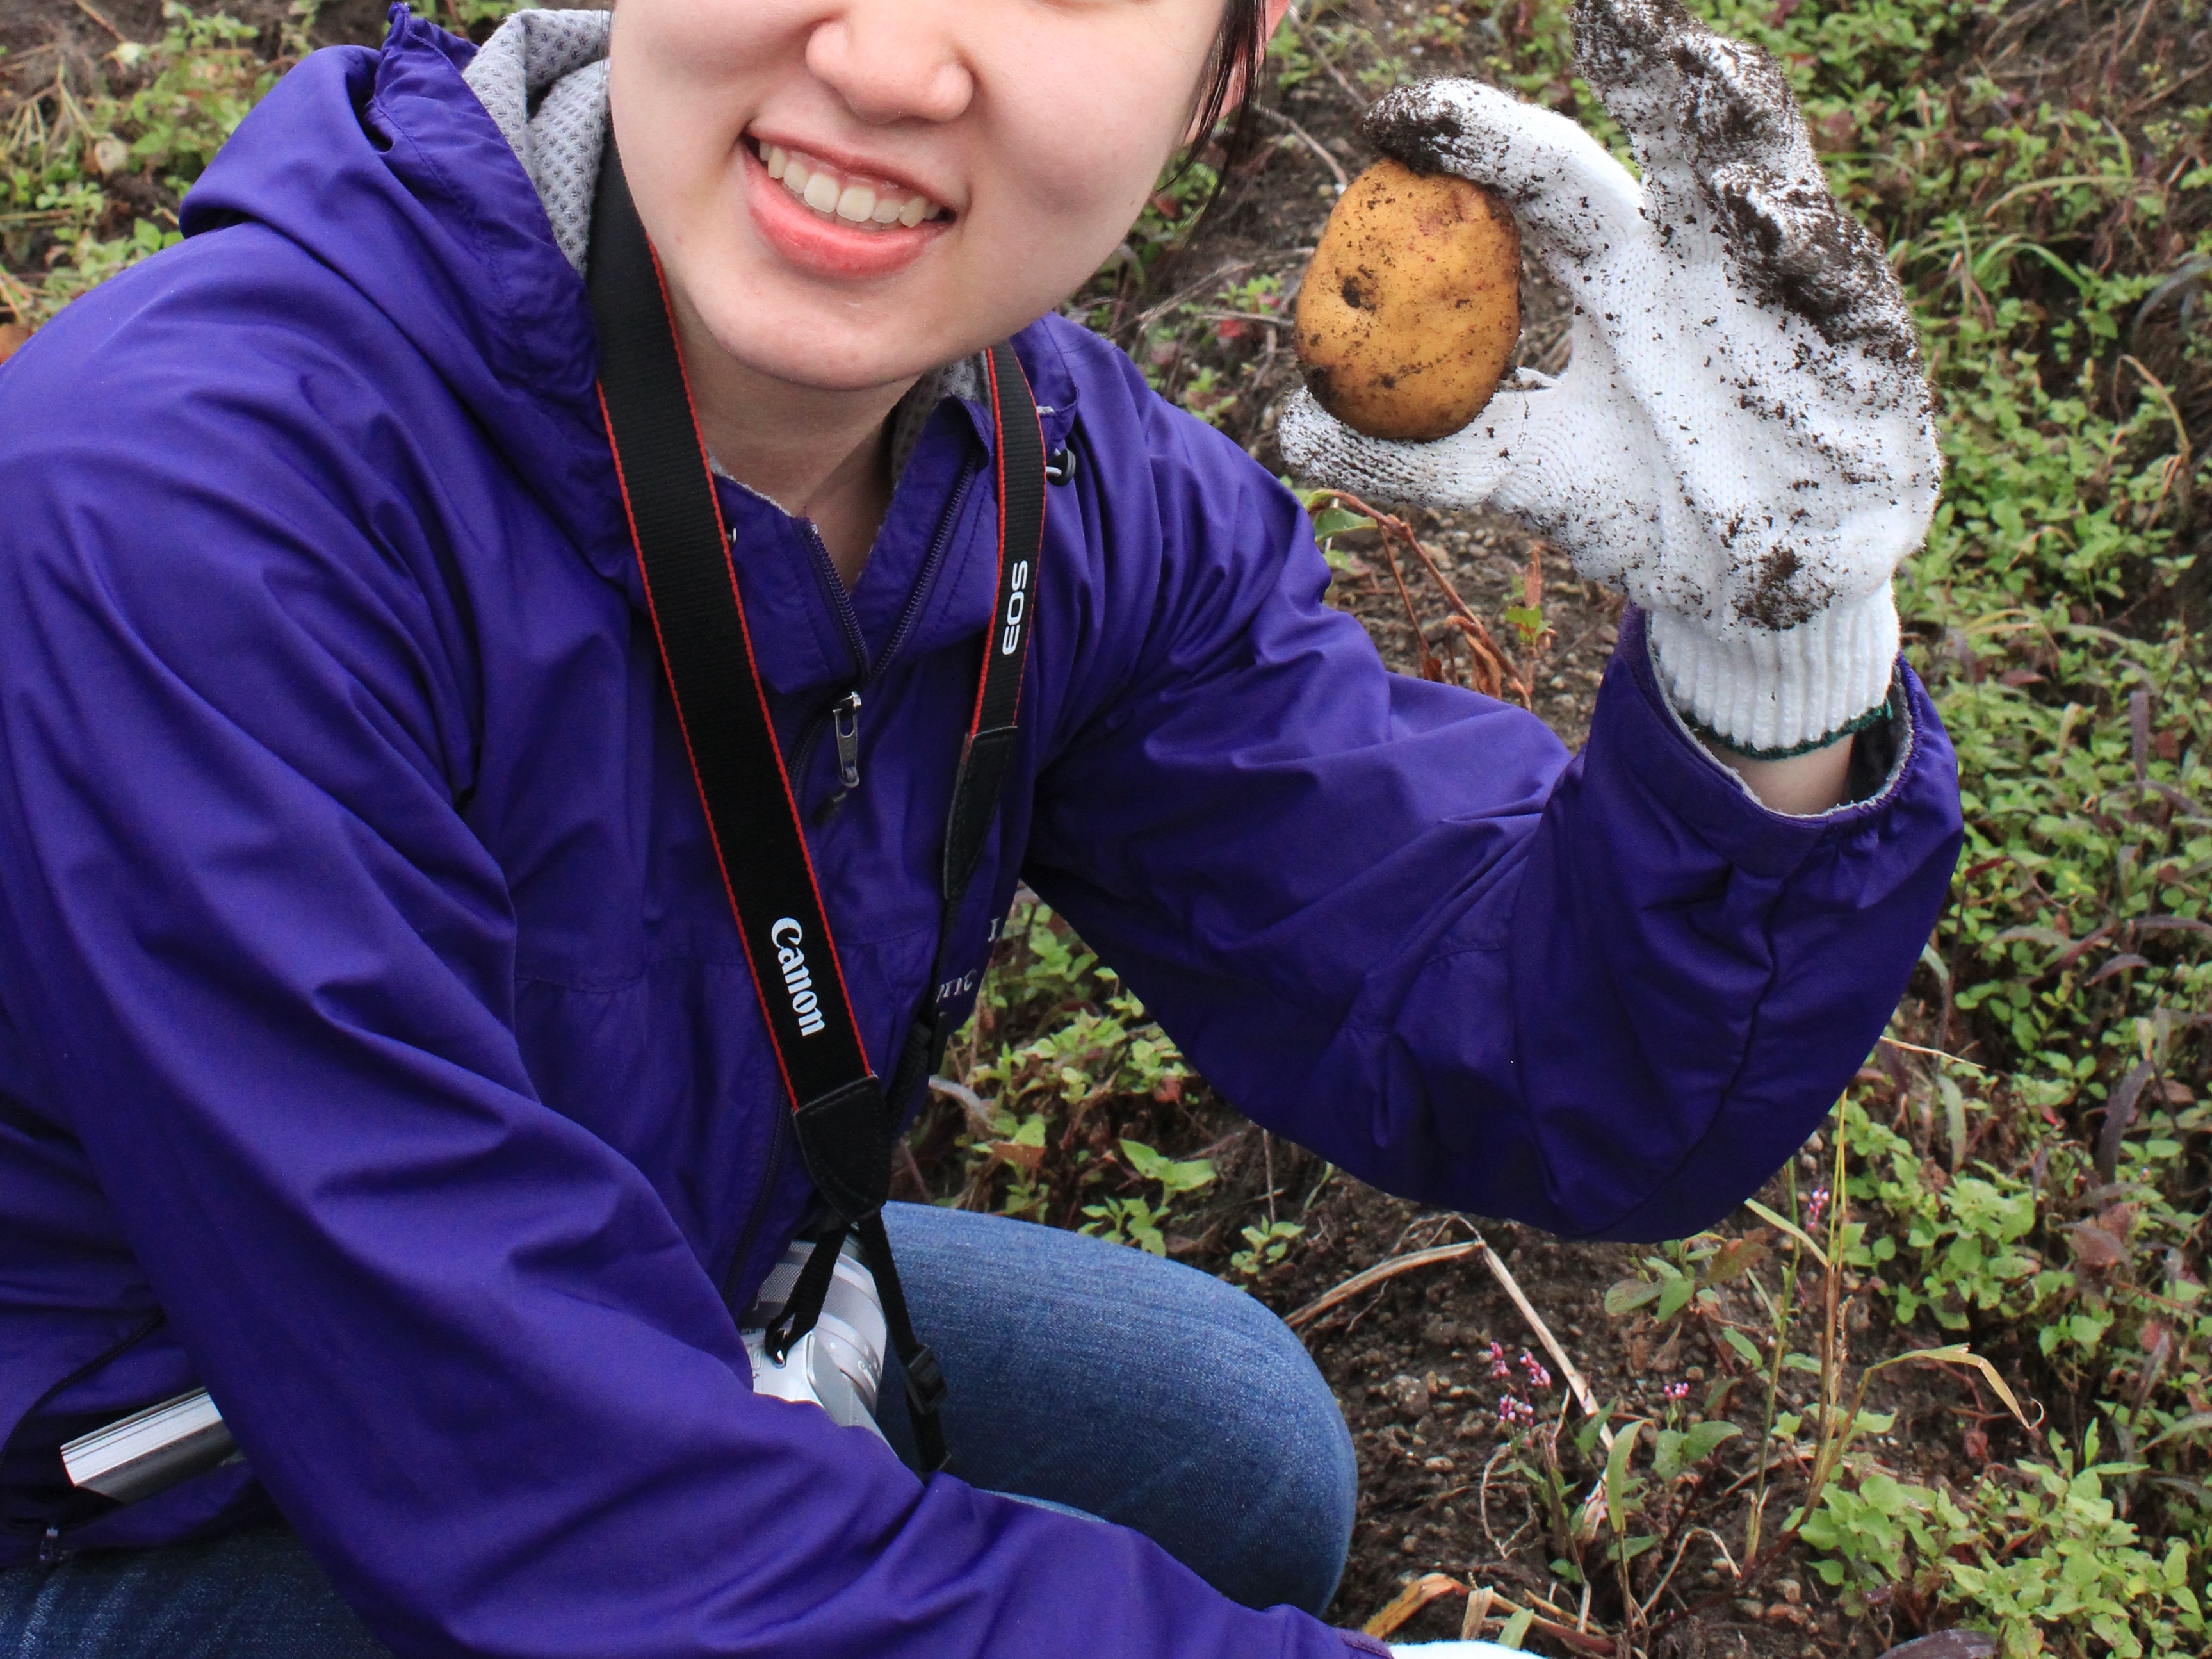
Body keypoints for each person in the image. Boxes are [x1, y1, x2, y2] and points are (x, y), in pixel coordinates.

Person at [0, 0, 1960, 1653]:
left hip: (635, 1295)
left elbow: (1537, 1048)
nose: (895, 61)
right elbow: (511, 1469)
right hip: (145, 1480)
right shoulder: (188, 514)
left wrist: (1772, 654)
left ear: (1228, 64)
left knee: (1231, 1444)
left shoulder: (1054, 481)